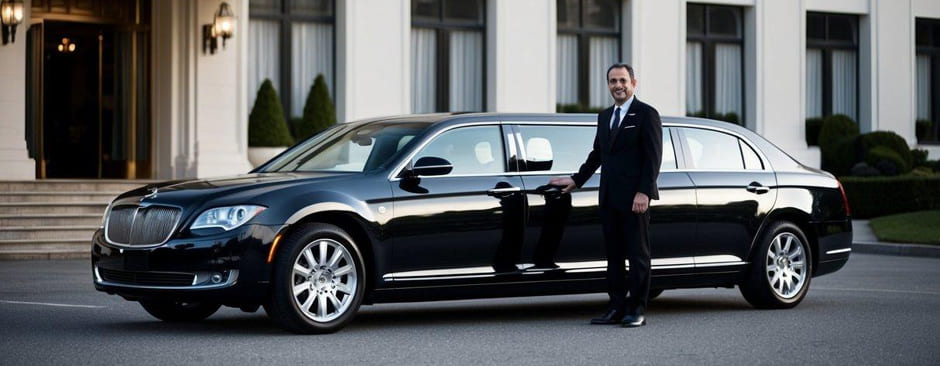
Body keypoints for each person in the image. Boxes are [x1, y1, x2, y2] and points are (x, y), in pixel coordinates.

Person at [549, 63, 662, 328]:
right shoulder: (604, 116)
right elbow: (598, 154)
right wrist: (577, 180)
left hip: (635, 199)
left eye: (622, 80)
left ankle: (637, 310)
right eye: (613, 81)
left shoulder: (646, 114)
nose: (618, 86)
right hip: (609, 198)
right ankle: (616, 307)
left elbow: (653, 158)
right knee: (613, 256)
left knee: (637, 256)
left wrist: (644, 192)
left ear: (634, 83)